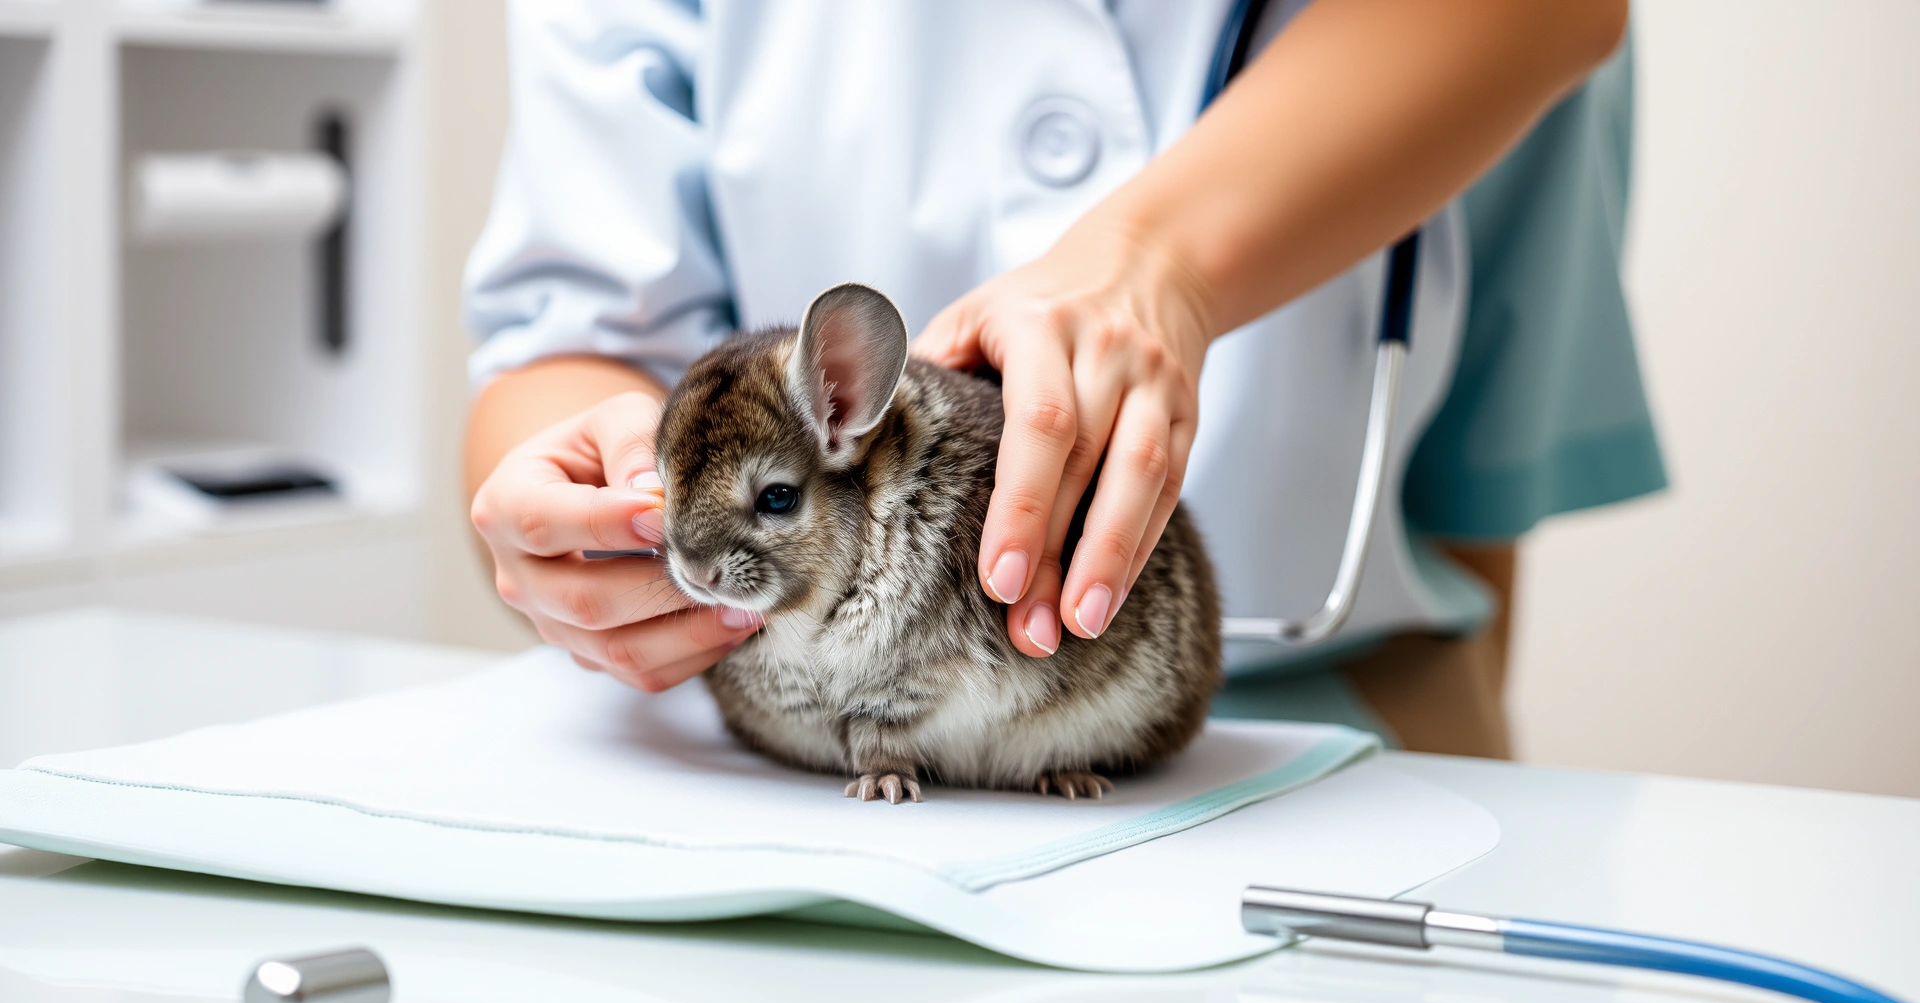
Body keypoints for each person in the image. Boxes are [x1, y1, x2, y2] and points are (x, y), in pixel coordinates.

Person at [464, 0, 1664, 757]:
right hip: (772, 759)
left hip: (1327, 741)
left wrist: (1164, 267)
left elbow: (1482, 515)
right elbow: (563, 354)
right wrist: (585, 517)